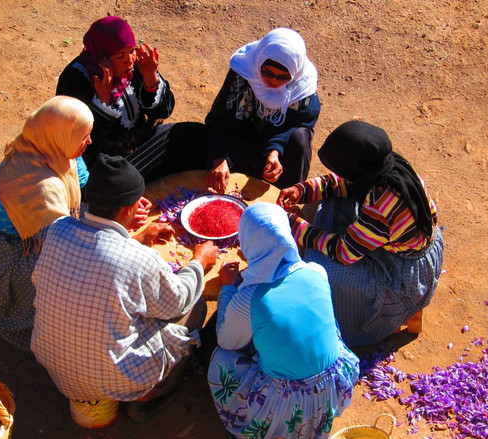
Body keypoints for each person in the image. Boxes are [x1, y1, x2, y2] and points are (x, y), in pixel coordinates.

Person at [30, 154, 219, 419]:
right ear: (124, 210)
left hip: (55, 366)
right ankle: (151, 394)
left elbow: (97, 258)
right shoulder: (137, 259)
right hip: (117, 380)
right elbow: (180, 299)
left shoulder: (57, 229)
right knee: (195, 305)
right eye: (135, 204)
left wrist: (139, 239)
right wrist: (199, 262)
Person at [277, 120, 445, 347]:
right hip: (398, 241)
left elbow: (343, 253)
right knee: (329, 202)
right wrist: (303, 190)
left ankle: (352, 324)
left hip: (402, 272)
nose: (340, 174)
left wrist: (294, 224)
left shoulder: (382, 204)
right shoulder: (386, 167)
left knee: (320, 266)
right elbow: (343, 184)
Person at [207, 202, 359, 439]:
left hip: (286, 406)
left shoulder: (249, 296)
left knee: (221, 359)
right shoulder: (316, 271)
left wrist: (227, 287)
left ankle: (269, 428)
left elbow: (227, 342)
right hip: (333, 388)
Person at [0, 96, 93, 351]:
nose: (89, 142)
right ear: (63, 135)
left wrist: (125, 204)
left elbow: (85, 185)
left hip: (31, 231)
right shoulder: (40, 187)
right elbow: (61, 244)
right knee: (69, 268)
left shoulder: (51, 147)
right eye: (84, 136)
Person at [56, 16, 207, 184]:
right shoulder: (76, 80)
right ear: (102, 57)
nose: (129, 61)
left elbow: (164, 111)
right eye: (120, 56)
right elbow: (79, 147)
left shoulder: (135, 66)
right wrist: (103, 104)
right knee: (120, 182)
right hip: (105, 165)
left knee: (195, 135)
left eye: (132, 51)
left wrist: (151, 79)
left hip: (142, 144)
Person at [205, 28, 320, 193]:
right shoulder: (244, 71)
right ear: (259, 62)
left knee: (300, 137)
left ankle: (286, 197)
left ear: (294, 75)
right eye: (267, 72)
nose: (273, 81)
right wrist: (220, 159)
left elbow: (299, 122)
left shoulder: (302, 87)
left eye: (283, 77)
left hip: (277, 143)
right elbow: (222, 119)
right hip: (243, 139)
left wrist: (275, 151)